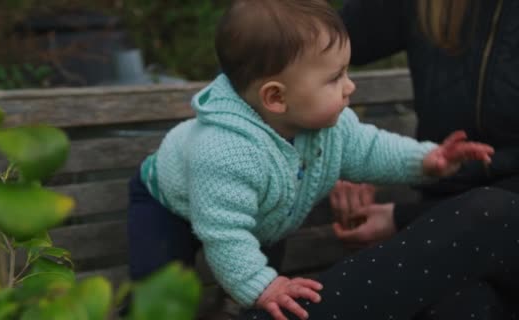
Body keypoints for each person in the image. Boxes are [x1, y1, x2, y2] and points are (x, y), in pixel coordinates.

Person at [126, 0, 494, 319]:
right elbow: (224, 234)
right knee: (159, 292)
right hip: (167, 204)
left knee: (268, 295)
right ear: (276, 98)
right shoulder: (225, 153)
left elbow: (370, 149)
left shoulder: (328, 127)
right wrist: (260, 285)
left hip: (267, 213)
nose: (350, 86)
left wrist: (427, 160)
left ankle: (235, 308)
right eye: (335, 78)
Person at [326, 0, 519, 317]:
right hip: (445, 244)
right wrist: (333, 146)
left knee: (486, 213)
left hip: (478, 224)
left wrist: (404, 217)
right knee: (465, 306)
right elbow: (276, 51)